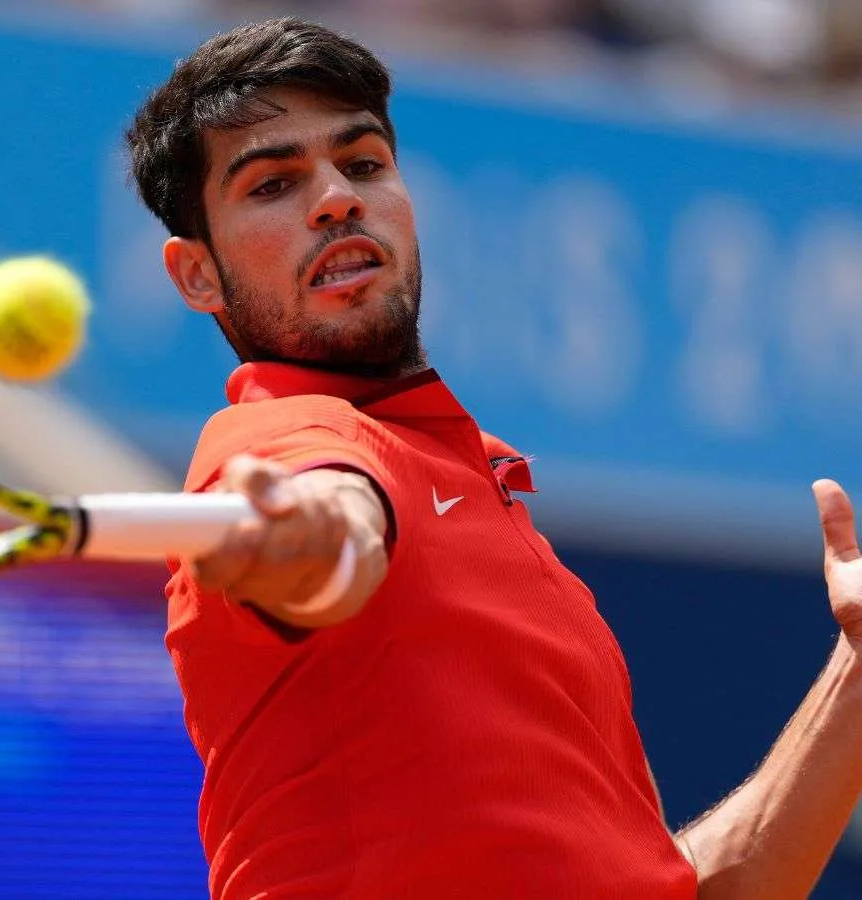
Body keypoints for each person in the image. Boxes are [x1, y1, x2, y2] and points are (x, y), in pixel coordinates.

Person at [126, 17, 862, 898]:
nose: (336, 198)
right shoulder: (279, 442)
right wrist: (311, 543)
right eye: (273, 183)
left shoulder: (484, 489)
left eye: (362, 164)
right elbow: (334, 524)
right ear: (196, 274)